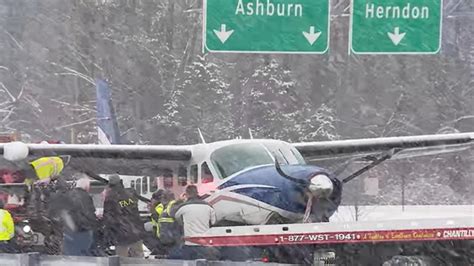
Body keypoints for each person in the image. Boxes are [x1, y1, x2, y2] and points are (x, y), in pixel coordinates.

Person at [169, 185, 218, 260]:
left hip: (189, 243)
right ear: (197, 193)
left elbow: (173, 215)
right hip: (205, 243)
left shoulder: (183, 207)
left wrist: (179, 200)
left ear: (186, 194)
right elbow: (214, 222)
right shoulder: (208, 207)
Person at [102, 174, 144, 257]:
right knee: (139, 260)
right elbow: (135, 212)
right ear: (121, 182)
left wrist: (108, 232)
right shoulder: (130, 193)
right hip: (135, 232)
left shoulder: (110, 198)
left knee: (122, 260)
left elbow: (108, 218)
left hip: (120, 234)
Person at [61, 176, 98, 256]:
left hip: (69, 231)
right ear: (85, 187)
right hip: (84, 231)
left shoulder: (67, 195)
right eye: (88, 186)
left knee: (70, 254)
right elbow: (89, 214)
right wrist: (95, 224)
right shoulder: (86, 197)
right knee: (83, 255)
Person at [156, 190, 181, 254]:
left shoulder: (173, 206)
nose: (162, 197)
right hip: (167, 240)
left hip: (173, 241)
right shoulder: (167, 206)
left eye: (164, 196)